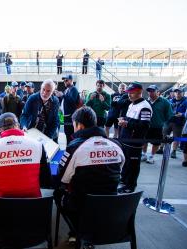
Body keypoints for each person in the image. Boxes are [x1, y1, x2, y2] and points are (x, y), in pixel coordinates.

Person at [54, 107, 125, 243]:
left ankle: (76, 232)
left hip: (82, 205)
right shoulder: (116, 145)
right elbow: (120, 170)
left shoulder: (75, 147)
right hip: (111, 204)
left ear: (79, 125)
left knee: (58, 192)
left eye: (74, 125)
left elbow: (62, 178)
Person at [0, 112, 52, 197]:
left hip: (1, 205)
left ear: (0, 129)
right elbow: (46, 179)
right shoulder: (38, 145)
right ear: (18, 126)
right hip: (33, 204)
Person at [118, 82, 152, 193]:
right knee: (126, 162)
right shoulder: (131, 104)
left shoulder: (145, 107)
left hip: (134, 142)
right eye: (128, 92)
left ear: (139, 92)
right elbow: (131, 119)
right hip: (126, 139)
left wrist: (126, 123)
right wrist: (123, 119)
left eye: (131, 93)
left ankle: (130, 186)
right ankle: (124, 180)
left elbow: (144, 126)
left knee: (133, 165)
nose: (129, 95)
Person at [141, 85, 173, 164]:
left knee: (156, 142)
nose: (150, 93)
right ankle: (144, 154)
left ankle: (151, 156)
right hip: (145, 126)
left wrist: (161, 122)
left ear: (158, 92)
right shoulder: (145, 101)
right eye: (149, 91)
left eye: (152, 91)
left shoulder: (165, 102)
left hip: (158, 127)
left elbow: (169, 115)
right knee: (144, 141)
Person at [157, 88, 187, 158]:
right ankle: (161, 148)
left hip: (178, 122)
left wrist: (182, 114)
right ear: (174, 93)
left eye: (179, 92)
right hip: (168, 121)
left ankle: (174, 151)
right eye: (176, 92)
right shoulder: (170, 101)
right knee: (164, 135)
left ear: (182, 93)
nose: (177, 93)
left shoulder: (186, 102)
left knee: (176, 137)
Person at [61, 75, 81, 145]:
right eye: (64, 80)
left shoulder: (74, 89)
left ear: (71, 80)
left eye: (66, 80)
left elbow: (72, 101)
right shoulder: (67, 90)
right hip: (66, 116)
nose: (64, 82)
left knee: (71, 135)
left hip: (71, 116)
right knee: (67, 134)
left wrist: (62, 95)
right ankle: (68, 149)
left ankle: (72, 150)